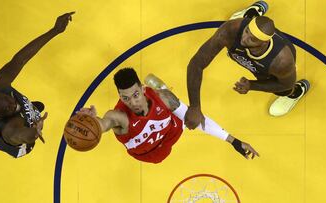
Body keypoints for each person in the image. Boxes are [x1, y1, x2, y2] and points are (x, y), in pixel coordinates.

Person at [77, 68, 259, 164]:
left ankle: (160, 87)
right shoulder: (119, 118)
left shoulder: (163, 100)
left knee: (182, 111)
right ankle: (158, 85)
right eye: (125, 98)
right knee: (167, 104)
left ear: (141, 90)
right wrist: (91, 122)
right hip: (148, 155)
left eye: (135, 95)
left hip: (172, 133)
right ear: (120, 97)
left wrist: (234, 141)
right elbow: (103, 125)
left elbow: (198, 121)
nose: (132, 102)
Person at [185, 1, 310, 130]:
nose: (244, 38)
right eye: (246, 31)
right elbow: (196, 63)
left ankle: (297, 92)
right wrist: (195, 106)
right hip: (243, 42)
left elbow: (286, 84)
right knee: (238, 26)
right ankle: (252, 14)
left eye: (252, 39)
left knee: (285, 90)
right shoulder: (230, 30)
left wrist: (252, 85)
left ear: (264, 42)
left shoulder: (282, 61)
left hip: (265, 69)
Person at [0, 12, 74, 158]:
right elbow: (25, 136)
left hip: (20, 117)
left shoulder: (0, 83)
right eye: (7, 109)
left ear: (0, 92)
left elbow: (21, 59)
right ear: (1, 116)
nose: (12, 103)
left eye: (8, 99)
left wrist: (55, 30)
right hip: (21, 145)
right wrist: (35, 130)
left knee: (36, 106)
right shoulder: (9, 130)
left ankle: (29, 111)